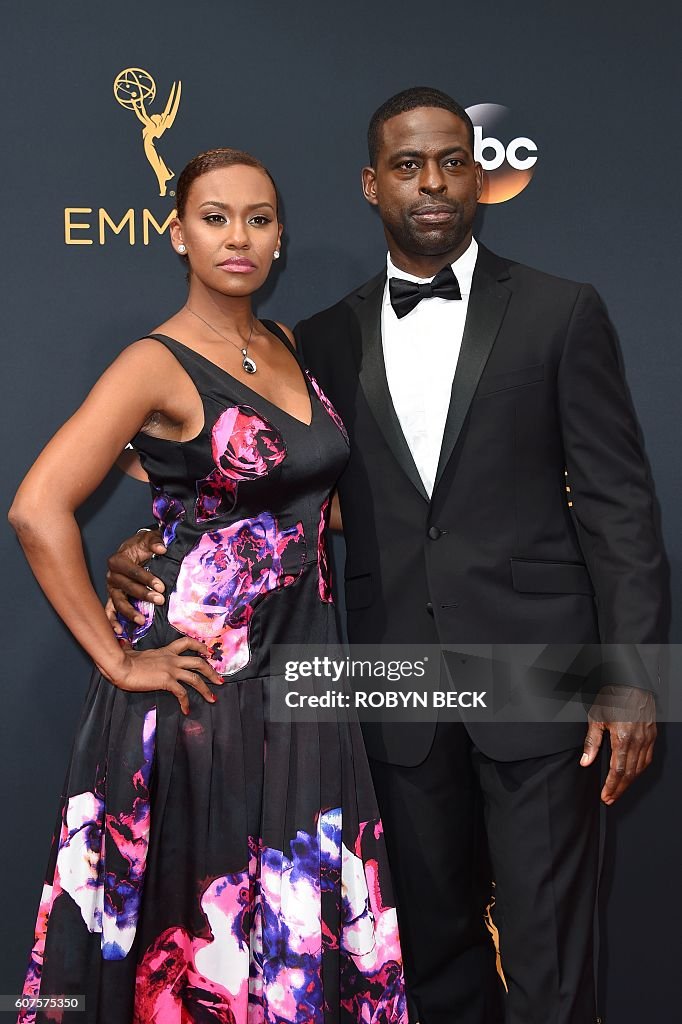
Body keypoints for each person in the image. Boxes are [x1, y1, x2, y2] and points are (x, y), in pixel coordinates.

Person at [106, 90, 667, 1024]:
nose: (434, 182)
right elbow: (263, 489)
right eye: (408, 166)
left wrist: (637, 674)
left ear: (479, 175)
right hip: (388, 681)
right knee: (426, 953)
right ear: (373, 185)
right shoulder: (316, 340)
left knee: (553, 954)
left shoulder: (563, 311)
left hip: (542, 676)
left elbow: (621, 505)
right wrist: (153, 547)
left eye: (452, 160)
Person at [9, 147, 408, 1024]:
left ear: (280, 237)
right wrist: (120, 662)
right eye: (216, 218)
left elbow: (307, 508)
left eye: (258, 219)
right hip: (204, 699)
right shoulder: (155, 362)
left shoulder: (287, 347)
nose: (240, 237)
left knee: (290, 942)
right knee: (203, 941)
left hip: (303, 684)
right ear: (177, 234)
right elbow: (38, 508)